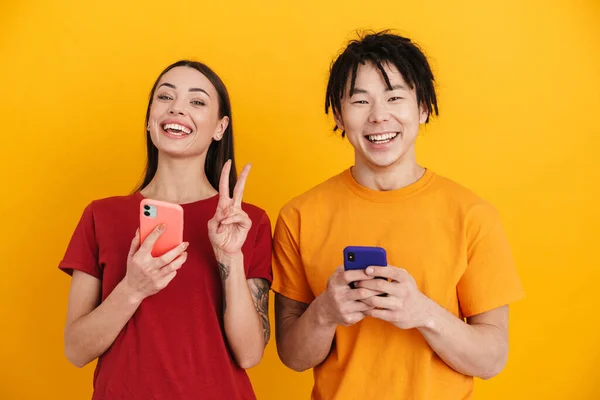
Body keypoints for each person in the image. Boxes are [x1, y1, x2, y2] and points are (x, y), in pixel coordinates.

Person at [272, 31, 525, 400]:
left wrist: (422, 312)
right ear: (340, 116)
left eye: (394, 97)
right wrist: (325, 312)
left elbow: (492, 359)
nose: (379, 116)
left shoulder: (473, 215)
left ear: (422, 108)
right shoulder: (299, 215)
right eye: (360, 101)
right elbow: (292, 357)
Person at [59, 60, 272, 400]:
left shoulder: (249, 222)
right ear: (149, 120)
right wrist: (132, 288)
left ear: (220, 127)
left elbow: (249, 354)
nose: (177, 108)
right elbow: (76, 350)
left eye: (197, 101)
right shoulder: (101, 216)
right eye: (165, 97)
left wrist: (230, 256)